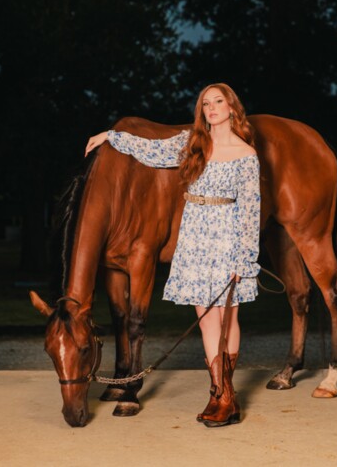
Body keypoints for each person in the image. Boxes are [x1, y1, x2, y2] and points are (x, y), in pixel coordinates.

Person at [85, 83, 261, 427]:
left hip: (226, 237)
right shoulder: (191, 142)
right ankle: (219, 392)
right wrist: (111, 135)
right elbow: (150, 150)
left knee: (227, 319)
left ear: (231, 107)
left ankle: (226, 395)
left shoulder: (246, 155)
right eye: (205, 103)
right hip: (194, 237)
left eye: (218, 102)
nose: (211, 108)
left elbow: (251, 212)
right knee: (207, 320)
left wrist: (245, 259)